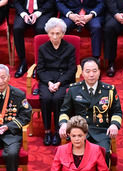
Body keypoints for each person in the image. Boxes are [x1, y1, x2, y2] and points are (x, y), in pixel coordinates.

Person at [59, 57, 123, 156]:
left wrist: (114, 124)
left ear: (99, 72)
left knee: (103, 153)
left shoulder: (109, 90)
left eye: (94, 71)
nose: (91, 74)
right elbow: (64, 111)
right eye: (88, 71)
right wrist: (63, 124)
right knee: (77, 154)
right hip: (79, 131)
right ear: (82, 73)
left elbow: (117, 111)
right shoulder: (73, 90)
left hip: (101, 132)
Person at [36, 17, 77, 147]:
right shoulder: (43, 48)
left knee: (58, 98)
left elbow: (72, 69)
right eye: (52, 33)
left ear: (63, 34)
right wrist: (49, 83)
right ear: (48, 34)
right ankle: (47, 131)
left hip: (63, 80)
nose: (54, 36)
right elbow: (40, 69)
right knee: (46, 98)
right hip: (46, 80)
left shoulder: (70, 48)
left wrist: (59, 83)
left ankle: (59, 131)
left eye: (57, 33)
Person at [13, 0, 58, 78]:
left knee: (41, 28)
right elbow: (16, 1)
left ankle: (40, 63)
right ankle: (22, 62)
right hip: (24, 11)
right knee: (17, 28)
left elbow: (51, 2)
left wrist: (37, 13)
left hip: (43, 11)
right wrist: (23, 14)